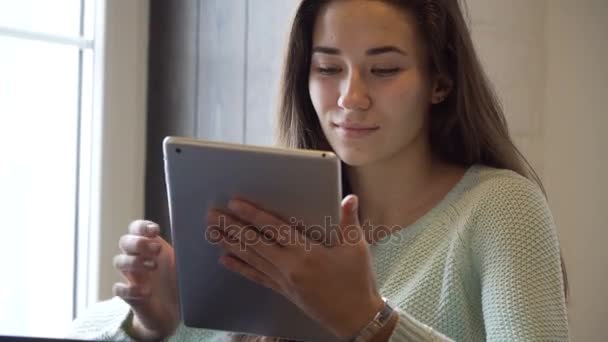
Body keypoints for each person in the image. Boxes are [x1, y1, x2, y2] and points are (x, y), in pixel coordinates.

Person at [69, 0, 570, 341]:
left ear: (440, 80)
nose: (351, 98)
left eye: (386, 69)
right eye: (328, 69)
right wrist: (155, 324)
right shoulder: (281, 217)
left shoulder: (500, 210)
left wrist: (369, 322)